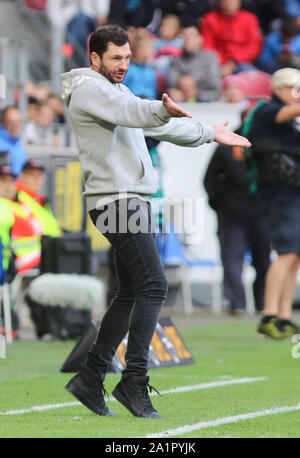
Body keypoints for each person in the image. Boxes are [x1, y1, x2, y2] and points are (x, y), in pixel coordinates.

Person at [61, 24, 251, 419]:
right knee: (154, 284)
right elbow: (139, 113)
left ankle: (91, 377)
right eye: (115, 58)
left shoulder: (116, 91)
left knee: (131, 291)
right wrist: (161, 108)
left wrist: (208, 134)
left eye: (128, 57)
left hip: (127, 198)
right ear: (94, 58)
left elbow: (155, 123)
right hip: (117, 200)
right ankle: (133, 381)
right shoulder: (89, 89)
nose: (123, 65)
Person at [247, 68, 300, 339]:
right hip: (278, 194)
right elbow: (287, 113)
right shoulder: (268, 111)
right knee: (286, 253)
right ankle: (269, 315)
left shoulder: (290, 122)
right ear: (279, 89)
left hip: (292, 193)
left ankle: (283, 316)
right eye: (294, 88)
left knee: (295, 256)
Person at [204, 123, 271, 314]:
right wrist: (220, 205)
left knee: (252, 260)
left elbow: (209, 179)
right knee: (242, 260)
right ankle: (249, 304)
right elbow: (210, 179)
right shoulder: (264, 145)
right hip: (239, 213)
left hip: (253, 212)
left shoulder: (262, 145)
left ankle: (251, 304)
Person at [201, 0, 263, 76]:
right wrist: (221, 63)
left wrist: (234, 61)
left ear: (239, 2)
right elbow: (207, 46)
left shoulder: (250, 19)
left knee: (254, 78)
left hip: (241, 62)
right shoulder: (210, 19)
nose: (228, 3)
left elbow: (254, 46)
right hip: (217, 63)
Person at [167, 26, 221, 102]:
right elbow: (172, 84)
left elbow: (215, 87)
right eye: (184, 36)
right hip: (182, 101)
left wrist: (193, 86)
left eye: (191, 36)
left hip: (206, 102)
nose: (188, 39)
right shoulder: (175, 60)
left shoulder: (211, 57)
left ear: (200, 39)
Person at [0, 106, 27, 176]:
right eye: (11, 122)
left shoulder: (19, 145)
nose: (15, 126)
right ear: (3, 122)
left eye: (18, 122)